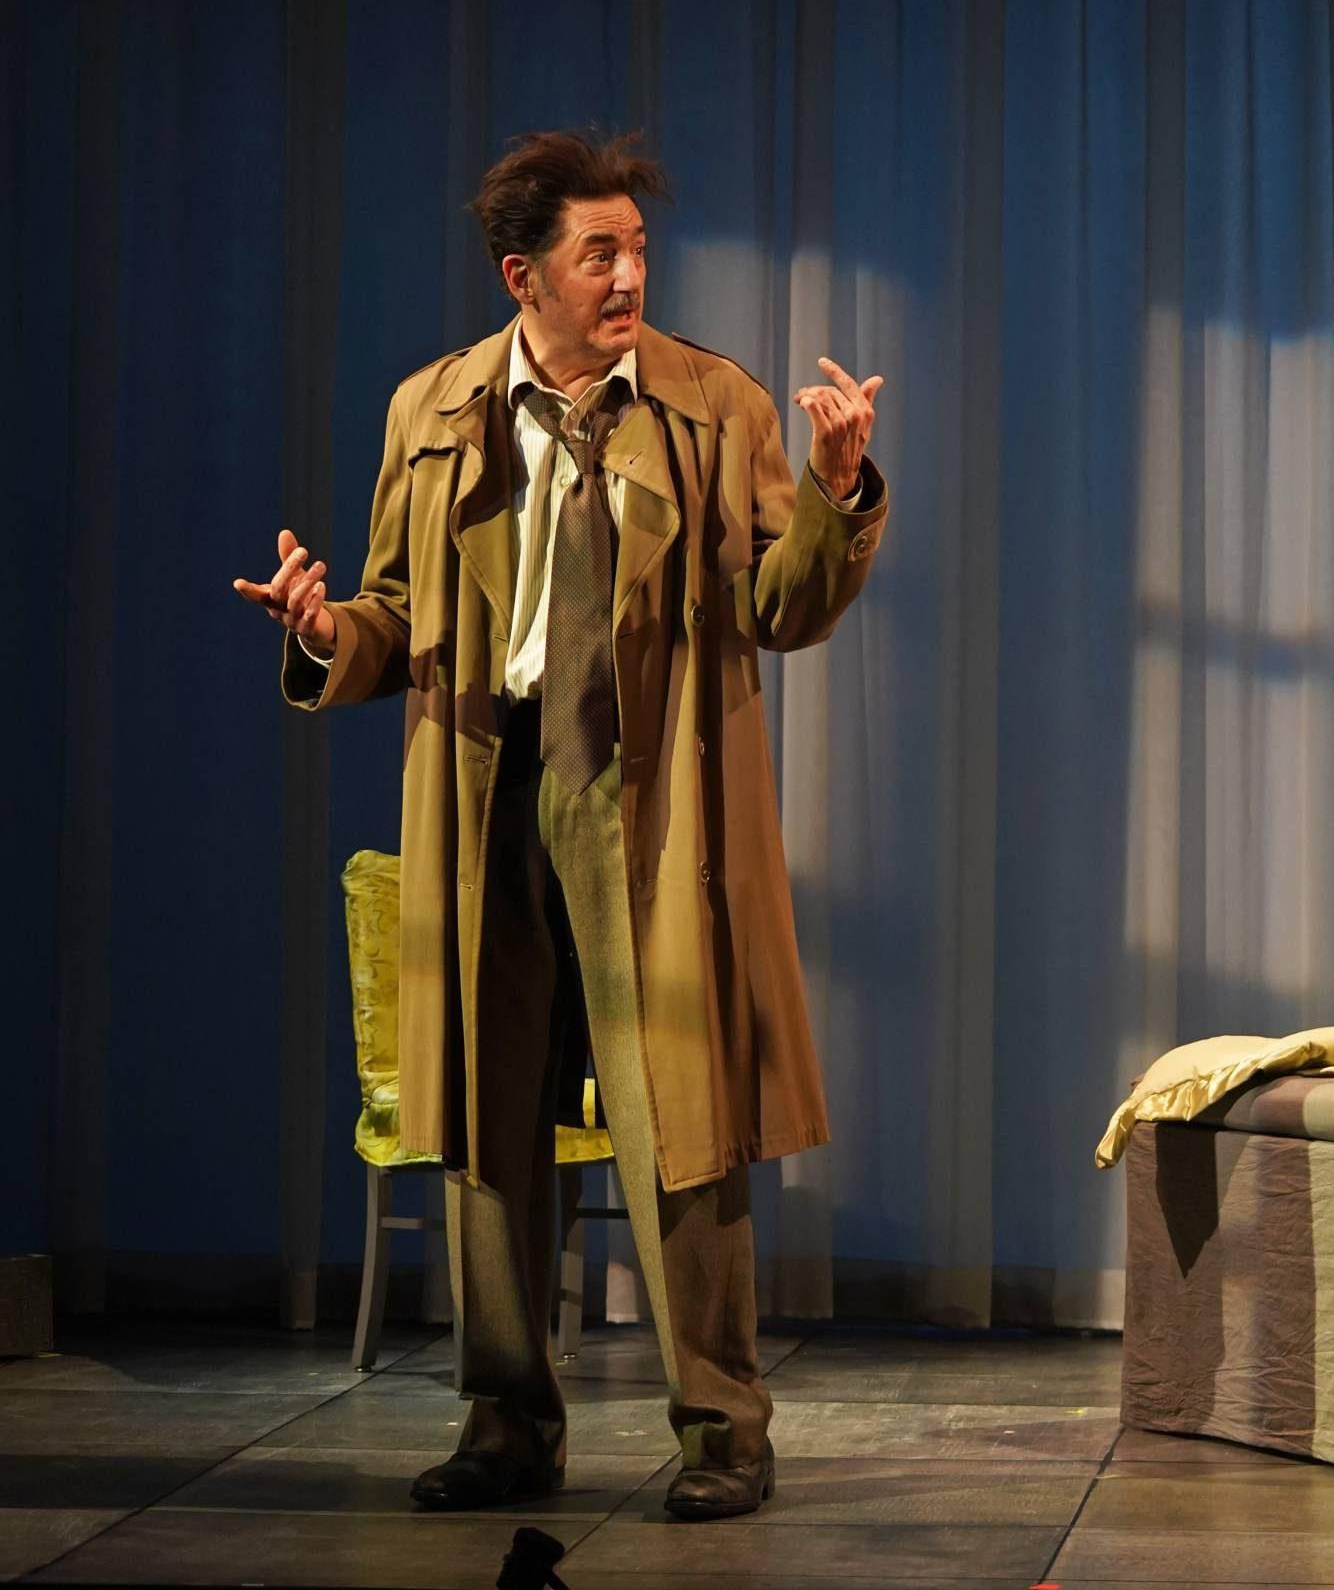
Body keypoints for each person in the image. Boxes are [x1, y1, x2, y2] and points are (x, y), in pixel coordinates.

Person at [231, 130, 889, 1520]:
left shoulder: (712, 403)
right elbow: (396, 613)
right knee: (489, 1110)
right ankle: (507, 1427)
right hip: (488, 782)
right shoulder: (434, 408)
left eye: (639, 250)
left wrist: (838, 498)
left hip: (648, 792)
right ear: (522, 274)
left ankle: (723, 1433)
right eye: (601, 254)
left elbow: (780, 609)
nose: (631, 276)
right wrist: (322, 632)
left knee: (681, 1122)